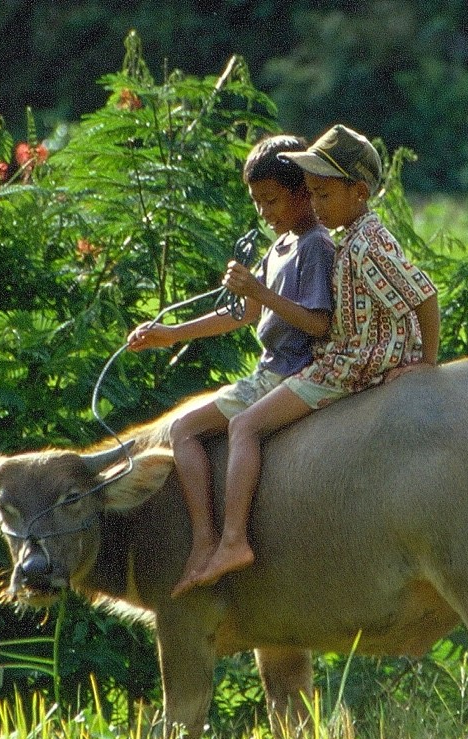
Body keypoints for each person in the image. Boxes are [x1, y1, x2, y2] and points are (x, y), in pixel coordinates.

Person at [176, 123, 440, 595]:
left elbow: (417, 296)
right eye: (312, 194)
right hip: (336, 355)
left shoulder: (352, 244)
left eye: (320, 194)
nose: (316, 206)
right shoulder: (332, 241)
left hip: (343, 363)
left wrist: (427, 362)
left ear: (357, 193)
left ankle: (231, 539)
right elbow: (251, 312)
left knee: (245, 426)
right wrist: (171, 333)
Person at [126, 135, 334, 598]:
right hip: (270, 367)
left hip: (291, 369)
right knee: (187, 427)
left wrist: (259, 292)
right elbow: (243, 314)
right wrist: (171, 333)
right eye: (258, 202)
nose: (264, 211)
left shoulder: (315, 246)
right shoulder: (281, 245)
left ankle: (219, 540)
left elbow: (318, 323)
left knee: (187, 430)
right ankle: (210, 539)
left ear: (303, 190)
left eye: (272, 200)